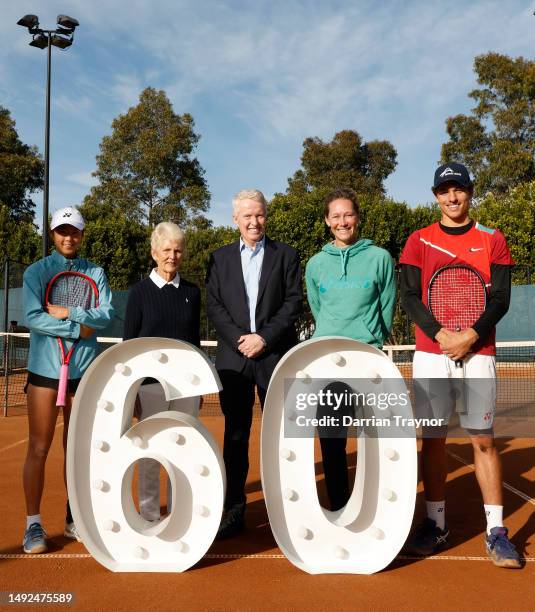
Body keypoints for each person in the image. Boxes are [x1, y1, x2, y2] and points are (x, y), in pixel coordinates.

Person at [399, 162, 522, 568]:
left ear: (471, 191)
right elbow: (411, 298)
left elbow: (500, 299)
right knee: (433, 439)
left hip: (479, 353)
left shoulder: (493, 239)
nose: (452, 197)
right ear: (435, 195)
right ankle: (435, 524)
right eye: (444, 190)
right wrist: (442, 336)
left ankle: (496, 532)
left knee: (483, 439)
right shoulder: (418, 241)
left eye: (459, 189)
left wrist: (470, 335)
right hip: (432, 354)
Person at [206, 188, 302, 538]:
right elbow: (214, 305)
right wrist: (240, 340)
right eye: (247, 215)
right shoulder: (219, 258)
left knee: (281, 436)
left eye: (259, 214)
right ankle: (234, 510)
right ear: (235, 219)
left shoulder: (287, 255)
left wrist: (264, 337)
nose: (254, 221)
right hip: (235, 360)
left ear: (266, 215)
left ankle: (287, 509)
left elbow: (293, 302)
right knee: (235, 436)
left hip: (274, 355)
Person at [22, 207, 114, 554]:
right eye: (62, 231)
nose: (68, 237)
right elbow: (33, 317)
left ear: (81, 234)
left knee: (75, 449)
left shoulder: (96, 272)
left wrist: (70, 312)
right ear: (52, 234)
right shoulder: (37, 273)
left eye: (73, 231)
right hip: (45, 372)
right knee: (39, 446)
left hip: (83, 372)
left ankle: (74, 516)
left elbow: (106, 316)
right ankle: (33, 524)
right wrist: (79, 328)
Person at [305, 187, 396, 510]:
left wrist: (373, 339)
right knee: (332, 442)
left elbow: (387, 305)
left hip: (369, 362)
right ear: (327, 221)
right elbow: (318, 308)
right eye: (336, 216)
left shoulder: (379, 258)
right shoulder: (315, 265)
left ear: (357, 217)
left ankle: (377, 505)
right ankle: (340, 506)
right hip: (328, 364)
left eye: (348, 214)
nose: (343, 221)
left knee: (376, 440)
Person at [123, 222, 201, 522]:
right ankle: (150, 513)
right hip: (150, 388)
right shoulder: (139, 293)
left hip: (185, 388)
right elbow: (130, 346)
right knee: (152, 451)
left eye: (178, 249)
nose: (173, 255)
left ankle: (183, 511)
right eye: (167, 249)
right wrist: (134, 391)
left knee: (184, 448)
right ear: (154, 252)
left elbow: (193, 343)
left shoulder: (192, 293)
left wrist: (195, 385)